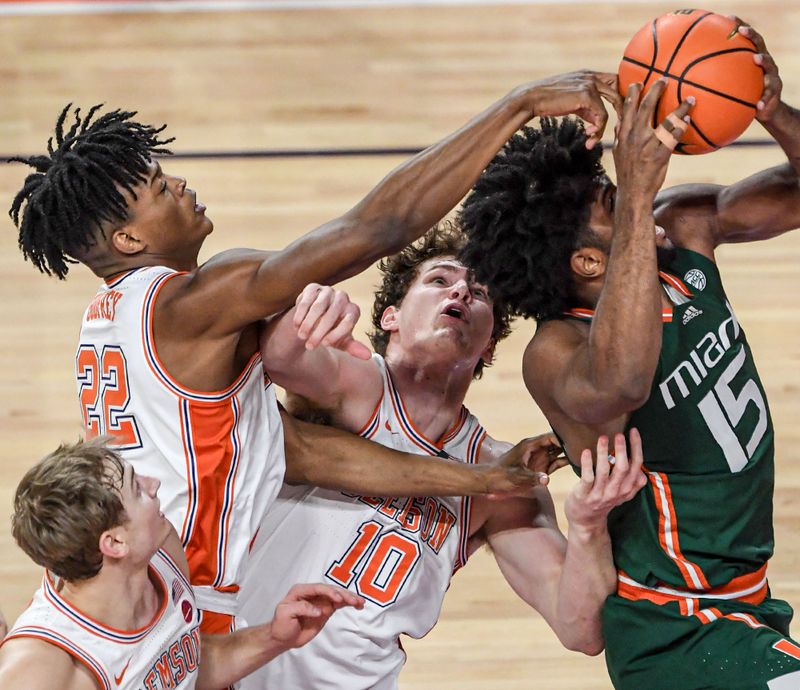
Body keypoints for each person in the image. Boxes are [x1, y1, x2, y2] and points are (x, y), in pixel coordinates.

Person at [8, 72, 622, 633]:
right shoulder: (194, 301)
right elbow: (376, 229)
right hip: (156, 594)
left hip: (125, 592)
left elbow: (300, 450)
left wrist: (480, 480)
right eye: (157, 187)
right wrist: (520, 105)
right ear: (129, 238)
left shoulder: (108, 320)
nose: (179, 182)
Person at [458, 22, 800, 690]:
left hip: (743, 605)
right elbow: (623, 378)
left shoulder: (681, 229)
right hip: (675, 627)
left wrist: (772, 113)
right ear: (587, 261)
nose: (631, 190)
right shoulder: (557, 352)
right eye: (613, 202)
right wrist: (638, 196)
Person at [237, 224, 647, 689]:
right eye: (439, 280)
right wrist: (309, 311)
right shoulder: (357, 384)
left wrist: (589, 524)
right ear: (391, 317)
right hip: (239, 667)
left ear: (489, 345)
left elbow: (581, 629)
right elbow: (280, 356)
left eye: (480, 292)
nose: (460, 290)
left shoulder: (503, 470)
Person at [0, 438, 366, 690]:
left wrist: (273, 638)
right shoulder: (42, 665)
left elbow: (183, 665)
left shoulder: (162, 552)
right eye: (136, 489)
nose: (154, 483)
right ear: (114, 543)